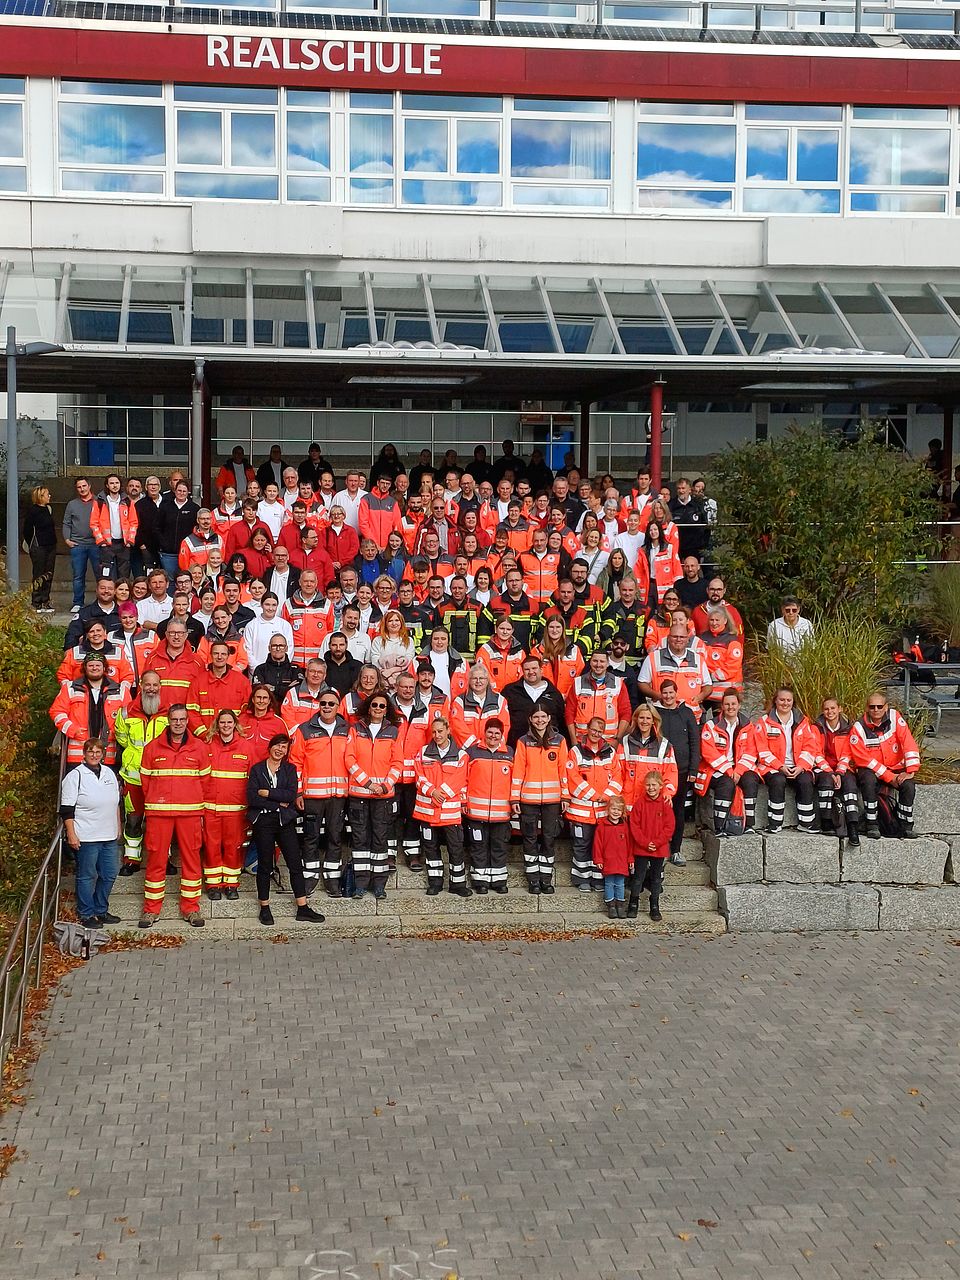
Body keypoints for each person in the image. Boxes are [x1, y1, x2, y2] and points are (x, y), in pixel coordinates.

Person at [138, 703, 208, 928]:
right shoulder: (152, 748)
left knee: (191, 860)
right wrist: (157, 800)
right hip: (159, 813)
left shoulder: (199, 748)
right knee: (156, 860)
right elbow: (145, 782)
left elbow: (205, 781)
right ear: (168, 720)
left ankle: (191, 908)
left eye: (182, 719)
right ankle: (151, 910)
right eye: (174, 719)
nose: (178, 723)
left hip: (189, 812)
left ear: (187, 721)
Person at [248, 734, 325, 927]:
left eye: (284, 747)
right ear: (270, 747)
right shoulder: (257, 769)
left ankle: (303, 908)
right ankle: (264, 908)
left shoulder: (290, 769)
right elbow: (253, 798)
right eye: (277, 746)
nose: (280, 749)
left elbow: (290, 794)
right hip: (263, 821)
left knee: (295, 864)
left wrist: (268, 793)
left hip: (284, 822)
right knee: (265, 865)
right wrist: (277, 804)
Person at [289, 695, 350, 897]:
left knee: (335, 836)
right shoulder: (304, 730)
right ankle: (310, 876)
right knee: (310, 837)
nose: (326, 707)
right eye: (323, 703)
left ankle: (332, 878)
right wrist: (298, 791)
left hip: (338, 795)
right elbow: (295, 763)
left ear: (338, 706)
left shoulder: (348, 729)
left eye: (331, 703)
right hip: (312, 796)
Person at [345, 693, 404, 899]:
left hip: (384, 797)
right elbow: (349, 759)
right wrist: (369, 784)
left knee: (380, 840)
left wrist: (385, 785)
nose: (378, 708)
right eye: (374, 705)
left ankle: (379, 885)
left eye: (382, 705)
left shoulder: (393, 732)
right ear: (368, 708)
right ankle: (360, 885)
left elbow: (398, 763)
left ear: (387, 709)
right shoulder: (355, 730)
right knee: (360, 840)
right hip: (359, 795)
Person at [59, 738, 122, 927]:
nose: (94, 755)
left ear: (103, 754)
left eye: (98, 751)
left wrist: (118, 825)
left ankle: (100, 910)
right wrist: (71, 833)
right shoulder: (75, 776)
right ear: (84, 754)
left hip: (109, 835)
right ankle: (86, 913)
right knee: (87, 876)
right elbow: (67, 809)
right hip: (86, 836)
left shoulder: (109, 773)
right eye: (91, 751)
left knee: (110, 874)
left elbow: (116, 803)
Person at [113, 671, 167, 874]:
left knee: (160, 822)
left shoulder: (169, 712)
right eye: (147, 684)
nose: (151, 688)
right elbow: (122, 738)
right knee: (133, 820)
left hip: (160, 778)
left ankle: (164, 858)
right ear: (140, 685)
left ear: (160, 687)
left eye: (155, 685)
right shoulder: (126, 712)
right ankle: (131, 859)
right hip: (133, 777)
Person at [511, 705, 567, 895]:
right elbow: (518, 771)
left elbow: (563, 771)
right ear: (530, 719)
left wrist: (565, 796)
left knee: (549, 839)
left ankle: (546, 879)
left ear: (549, 717)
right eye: (536, 717)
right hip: (528, 799)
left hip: (552, 799)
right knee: (530, 838)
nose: (540, 720)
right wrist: (514, 798)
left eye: (543, 716)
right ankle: (533, 879)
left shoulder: (559, 741)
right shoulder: (523, 741)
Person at [848, 693, 921, 839]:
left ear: (886, 707)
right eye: (872, 707)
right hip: (871, 769)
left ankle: (905, 825)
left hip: (895, 767)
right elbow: (863, 758)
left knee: (908, 786)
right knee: (867, 781)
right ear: (867, 708)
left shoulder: (895, 718)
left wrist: (911, 770)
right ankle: (872, 824)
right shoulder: (859, 727)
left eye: (880, 706)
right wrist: (889, 776)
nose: (876, 710)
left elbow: (907, 741)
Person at [413, 717, 471, 897]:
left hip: (449, 813)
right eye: (434, 732)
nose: (437, 735)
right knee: (430, 848)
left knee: (456, 848)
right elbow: (419, 776)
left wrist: (441, 793)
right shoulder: (423, 752)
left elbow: (460, 779)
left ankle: (458, 884)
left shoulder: (461, 755)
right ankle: (435, 883)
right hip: (427, 811)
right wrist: (432, 792)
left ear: (448, 730)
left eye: (440, 731)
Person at [202, 710, 256, 901]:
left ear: (235, 724)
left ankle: (232, 884)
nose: (226, 725)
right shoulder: (206, 746)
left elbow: (253, 779)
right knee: (211, 846)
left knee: (233, 847)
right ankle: (213, 884)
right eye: (222, 722)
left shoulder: (246, 747)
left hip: (236, 810)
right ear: (217, 725)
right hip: (210, 808)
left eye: (229, 722)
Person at [565, 715, 623, 892]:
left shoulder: (611, 752)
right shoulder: (575, 751)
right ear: (587, 729)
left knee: (601, 847)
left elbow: (618, 777)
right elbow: (572, 777)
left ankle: (598, 879)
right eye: (594, 729)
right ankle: (581, 878)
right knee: (582, 844)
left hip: (602, 812)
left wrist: (605, 797)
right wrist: (594, 795)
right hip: (580, 812)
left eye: (600, 731)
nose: (596, 733)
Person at [751, 687, 820, 834]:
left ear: (793, 702)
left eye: (789, 700)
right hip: (772, 767)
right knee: (778, 781)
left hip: (797, 766)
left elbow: (810, 747)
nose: (785, 703)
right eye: (782, 699)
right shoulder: (764, 722)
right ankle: (775, 823)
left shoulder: (802, 721)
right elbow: (762, 750)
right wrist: (780, 766)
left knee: (806, 780)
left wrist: (801, 766)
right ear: (775, 701)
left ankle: (806, 823)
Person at [50, 652, 128, 767]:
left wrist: (116, 733)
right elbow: (56, 712)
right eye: (91, 665)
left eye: (98, 665)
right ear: (84, 668)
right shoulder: (70, 688)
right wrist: (73, 730)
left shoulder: (120, 690)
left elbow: (129, 716)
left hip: (108, 754)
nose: (94, 668)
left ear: (104, 668)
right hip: (77, 754)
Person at [695, 690, 756, 836]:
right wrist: (729, 771)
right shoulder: (711, 725)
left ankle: (748, 824)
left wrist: (739, 771)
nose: (730, 707)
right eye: (727, 704)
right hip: (714, 769)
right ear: (722, 706)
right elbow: (709, 753)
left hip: (740, 767)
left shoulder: (748, 725)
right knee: (726, 783)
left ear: (739, 705)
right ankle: (720, 827)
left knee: (751, 780)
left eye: (733, 704)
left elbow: (751, 751)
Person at [463, 719, 513, 894]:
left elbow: (515, 781)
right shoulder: (472, 753)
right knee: (479, 845)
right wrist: (463, 801)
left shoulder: (509, 753)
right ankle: (480, 881)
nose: (493, 736)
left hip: (501, 813)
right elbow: (464, 778)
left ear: (502, 735)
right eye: (490, 732)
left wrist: (514, 803)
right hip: (476, 811)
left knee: (499, 845)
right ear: (484, 733)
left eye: (497, 733)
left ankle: (499, 880)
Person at [626, 771, 675, 922]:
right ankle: (633, 903)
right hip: (641, 847)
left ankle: (655, 905)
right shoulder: (639, 803)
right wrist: (646, 843)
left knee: (655, 878)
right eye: (648, 785)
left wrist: (657, 842)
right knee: (638, 877)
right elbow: (634, 826)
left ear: (661, 786)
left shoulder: (666, 804)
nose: (650, 788)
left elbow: (669, 826)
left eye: (654, 785)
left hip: (659, 848)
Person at [813, 696, 861, 845]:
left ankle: (853, 826)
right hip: (822, 766)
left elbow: (847, 753)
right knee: (826, 781)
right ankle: (826, 821)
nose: (830, 712)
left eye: (833, 708)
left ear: (839, 709)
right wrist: (830, 772)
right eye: (826, 709)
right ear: (823, 711)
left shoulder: (848, 728)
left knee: (850, 783)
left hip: (843, 767)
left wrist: (839, 772)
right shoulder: (817, 728)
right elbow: (816, 752)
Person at [637, 621, 712, 716]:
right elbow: (642, 683)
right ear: (668, 638)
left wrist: (699, 697)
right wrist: (658, 696)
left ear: (688, 639)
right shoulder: (653, 658)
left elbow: (708, 686)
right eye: (675, 636)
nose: (678, 640)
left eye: (682, 637)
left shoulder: (698, 659)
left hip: (691, 715)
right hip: (661, 714)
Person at [502, 655, 566, 747]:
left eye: (534, 668)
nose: (531, 672)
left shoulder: (554, 693)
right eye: (527, 669)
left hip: (548, 748)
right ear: (522, 671)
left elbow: (561, 721)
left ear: (541, 669)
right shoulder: (510, 691)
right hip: (516, 746)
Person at [592, 796, 632, 919]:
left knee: (620, 883)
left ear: (622, 812)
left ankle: (620, 905)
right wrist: (598, 859)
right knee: (609, 883)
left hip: (621, 861)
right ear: (608, 810)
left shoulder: (625, 826)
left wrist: (630, 859)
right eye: (613, 809)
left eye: (619, 810)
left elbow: (629, 844)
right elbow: (597, 844)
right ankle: (611, 906)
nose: (615, 812)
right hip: (608, 860)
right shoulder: (602, 826)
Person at [156, 480, 199, 586]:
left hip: (187, 553)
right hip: (168, 553)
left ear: (188, 492)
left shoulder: (194, 508)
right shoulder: (165, 507)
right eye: (179, 490)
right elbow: (156, 527)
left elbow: (197, 530)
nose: (181, 493)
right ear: (175, 491)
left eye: (184, 491)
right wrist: (163, 543)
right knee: (170, 580)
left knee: (186, 580)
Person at [23, 485, 57, 613]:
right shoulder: (33, 511)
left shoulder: (48, 509)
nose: (49, 496)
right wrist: (32, 543)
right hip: (38, 546)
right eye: (47, 494)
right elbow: (27, 529)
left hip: (51, 545)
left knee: (49, 574)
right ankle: (36, 602)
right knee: (38, 574)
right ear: (40, 496)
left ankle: (45, 600)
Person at [370, 610, 416, 691]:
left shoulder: (409, 640)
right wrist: (387, 677)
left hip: (403, 683)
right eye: (390, 621)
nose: (394, 623)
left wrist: (391, 671)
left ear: (401, 622)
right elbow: (375, 662)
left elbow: (408, 661)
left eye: (397, 620)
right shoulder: (377, 640)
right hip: (383, 682)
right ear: (386, 623)